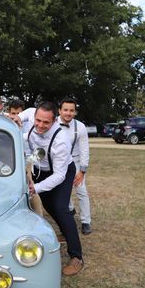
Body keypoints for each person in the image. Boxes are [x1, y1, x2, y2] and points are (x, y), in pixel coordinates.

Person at [26, 102, 84, 276]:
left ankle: (77, 257)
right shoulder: (30, 118)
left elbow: (59, 175)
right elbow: (15, 117)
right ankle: (65, 234)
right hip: (41, 167)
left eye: (46, 122)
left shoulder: (61, 140)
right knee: (48, 205)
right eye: (38, 120)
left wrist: (35, 188)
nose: (40, 125)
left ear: (54, 121)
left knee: (60, 207)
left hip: (62, 171)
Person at [58, 98, 92, 235]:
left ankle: (86, 222)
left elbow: (85, 149)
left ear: (75, 112)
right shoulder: (52, 123)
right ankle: (70, 210)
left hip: (76, 162)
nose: (68, 113)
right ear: (60, 110)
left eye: (71, 110)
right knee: (61, 191)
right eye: (65, 110)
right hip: (59, 163)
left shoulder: (80, 127)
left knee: (81, 191)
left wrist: (82, 171)